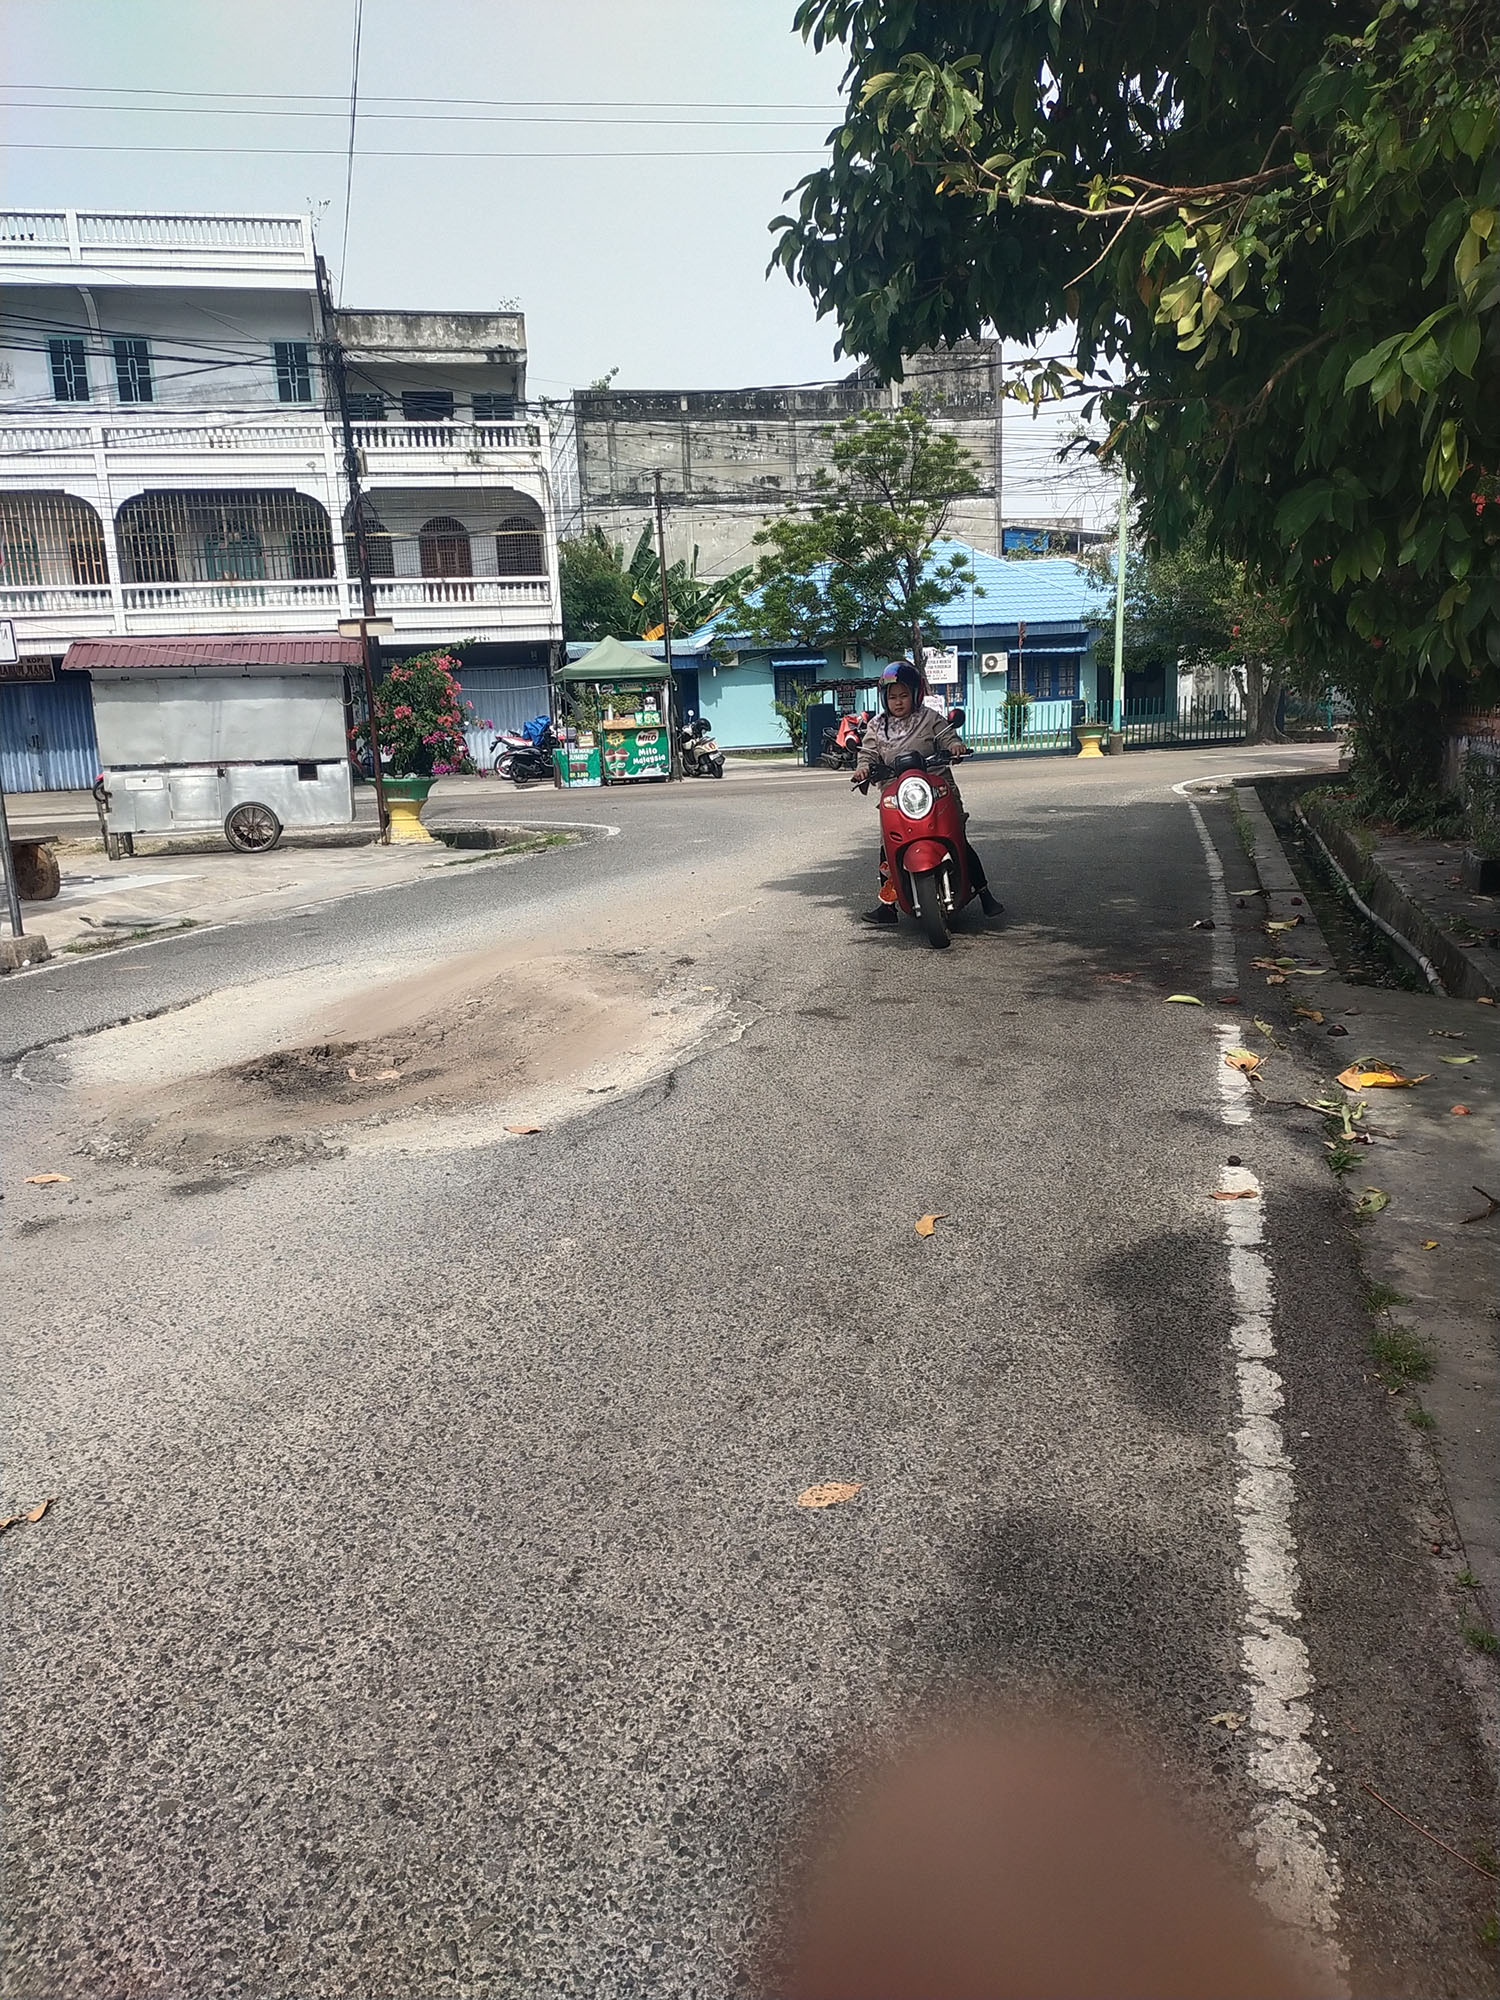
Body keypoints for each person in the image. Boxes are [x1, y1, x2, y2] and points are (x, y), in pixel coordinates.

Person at [851, 660, 1000, 924]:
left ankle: (984, 892)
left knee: (957, 838)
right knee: (888, 846)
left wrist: (955, 746)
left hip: (936, 786)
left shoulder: (929, 718)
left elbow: (948, 736)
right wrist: (863, 768)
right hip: (896, 793)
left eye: (904, 695)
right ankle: (888, 907)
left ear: (916, 694)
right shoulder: (876, 726)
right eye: (892, 697)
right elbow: (868, 753)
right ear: (884, 698)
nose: (898, 702)